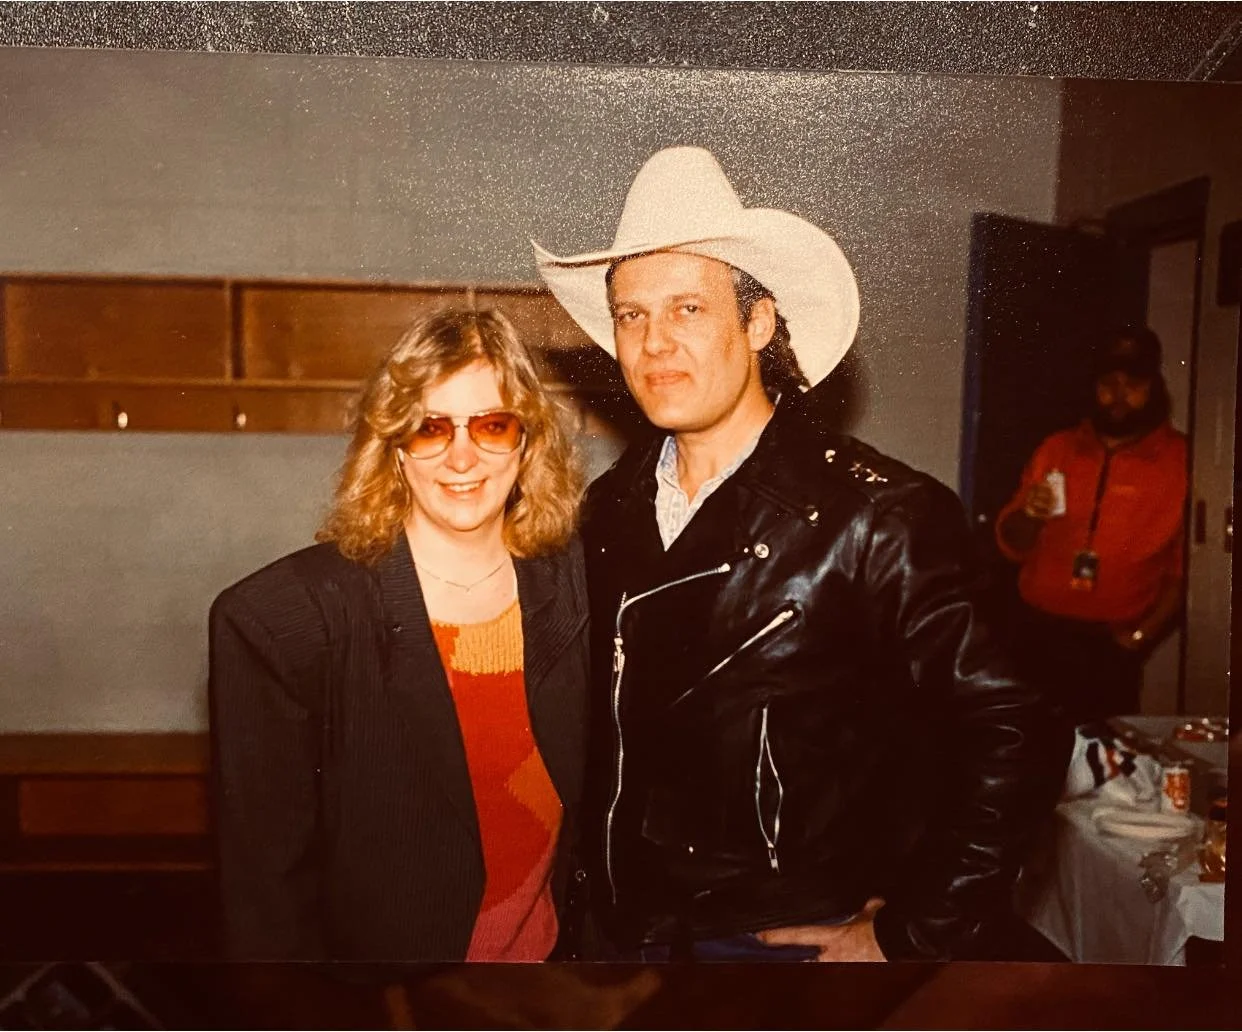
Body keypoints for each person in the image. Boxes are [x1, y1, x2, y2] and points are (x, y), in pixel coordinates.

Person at [533, 146, 1062, 963]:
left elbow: (1015, 729)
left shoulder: (878, 514)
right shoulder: (610, 508)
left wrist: (910, 930)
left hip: (776, 940)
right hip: (619, 935)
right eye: (632, 315)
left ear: (759, 322)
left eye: (687, 309)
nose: (654, 343)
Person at [209, 307, 589, 961]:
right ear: (392, 446)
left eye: (492, 425)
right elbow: (266, 899)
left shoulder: (587, 584)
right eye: (430, 428)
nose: (462, 456)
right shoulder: (284, 621)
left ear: (527, 443)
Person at [995, 326, 1188, 725]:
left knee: (1105, 767)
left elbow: (1185, 574)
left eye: (1132, 383)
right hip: (1036, 633)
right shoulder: (1056, 448)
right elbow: (1011, 543)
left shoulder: (1182, 461)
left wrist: (1140, 637)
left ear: (1154, 386)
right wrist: (1029, 516)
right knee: (1030, 753)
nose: (1119, 394)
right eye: (1107, 383)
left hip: (1110, 648)